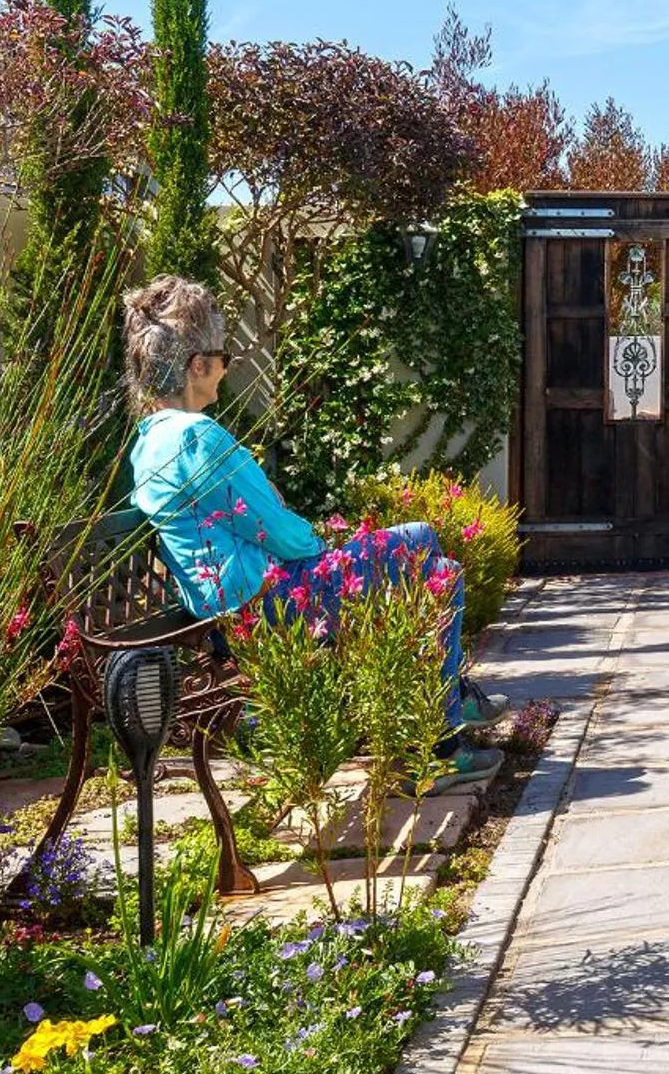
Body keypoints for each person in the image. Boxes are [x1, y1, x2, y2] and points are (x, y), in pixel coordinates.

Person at [120, 275, 501, 764]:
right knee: (430, 555)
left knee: (438, 570)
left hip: (230, 607)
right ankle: (442, 733)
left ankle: (444, 727)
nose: (224, 370)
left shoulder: (151, 441)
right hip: (262, 604)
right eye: (223, 359)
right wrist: (310, 537)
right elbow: (281, 532)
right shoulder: (196, 437)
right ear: (197, 366)